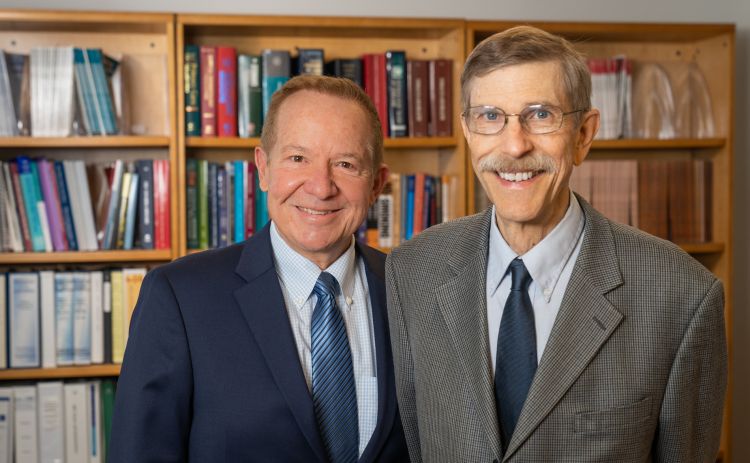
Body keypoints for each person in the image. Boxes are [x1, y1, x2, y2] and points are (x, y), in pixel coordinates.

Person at [386, 25, 727, 462]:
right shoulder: (413, 270)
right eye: (490, 116)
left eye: (540, 115)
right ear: (468, 132)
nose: (514, 145)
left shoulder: (682, 296)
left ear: (584, 134)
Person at [109, 75, 409, 462]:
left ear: (377, 184)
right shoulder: (179, 297)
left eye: (346, 164)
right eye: (298, 158)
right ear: (263, 168)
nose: (321, 187)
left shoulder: (412, 289)